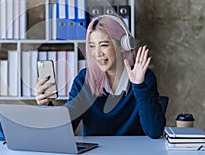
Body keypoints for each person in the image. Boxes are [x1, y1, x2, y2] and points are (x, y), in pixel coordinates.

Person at [35, 14, 166, 139]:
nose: (97, 53)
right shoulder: (85, 79)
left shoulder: (144, 77)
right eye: (92, 46)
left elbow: (154, 131)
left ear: (123, 45)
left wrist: (138, 86)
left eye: (104, 45)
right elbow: (66, 128)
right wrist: (47, 106)